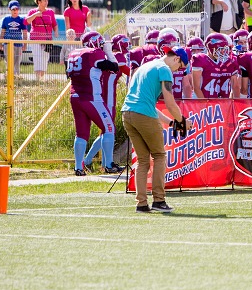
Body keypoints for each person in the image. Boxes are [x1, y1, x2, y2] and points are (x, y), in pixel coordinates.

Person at [122, 46, 189, 213]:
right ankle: (159, 200)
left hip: (127, 114)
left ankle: (141, 203)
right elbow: (170, 103)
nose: (177, 70)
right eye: (180, 67)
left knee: (143, 160)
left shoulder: (145, 67)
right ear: (176, 59)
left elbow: (147, 104)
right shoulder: (164, 69)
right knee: (159, 155)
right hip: (143, 115)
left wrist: (172, 123)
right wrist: (182, 121)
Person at [65, 31, 119, 176]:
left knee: (81, 133)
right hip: (91, 97)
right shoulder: (94, 53)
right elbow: (114, 67)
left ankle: (78, 167)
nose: (101, 47)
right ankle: (109, 165)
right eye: (100, 44)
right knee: (109, 128)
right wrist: (108, 51)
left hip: (75, 96)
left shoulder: (73, 53)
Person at [83, 33, 130, 172]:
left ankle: (99, 162)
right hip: (107, 97)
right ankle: (99, 162)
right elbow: (130, 72)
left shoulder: (101, 55)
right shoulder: (118, 56)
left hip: (99, 95)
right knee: (109, 129)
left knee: (107, 130)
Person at [192, 32, 240, 99]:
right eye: (220, 49)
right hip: (200, 100)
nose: (223, 51)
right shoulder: (200, 59)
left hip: (215, 100)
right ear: (211, 48)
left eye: (224, 49)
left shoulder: (221, 63)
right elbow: (196, 88)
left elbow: (234, 86)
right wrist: (204, 103)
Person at [25, 0, 58, 80]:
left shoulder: (50, 12)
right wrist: (35, 15)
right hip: (35, 38)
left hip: (47, 39)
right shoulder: (32, 11)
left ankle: (42, 78)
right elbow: (26, 22)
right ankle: (37, 78)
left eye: (47, 0)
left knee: (44, 58)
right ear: (39, 1)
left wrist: (56, 32)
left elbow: (54, 24)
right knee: (37, 57)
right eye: (44, 1)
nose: (46, 2)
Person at [1, 0, 28, 76]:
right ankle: (8, 75)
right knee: (8, 61)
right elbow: (2, 31)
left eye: (17, 9)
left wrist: (25, 45)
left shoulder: (22, 19)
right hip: (7, 44)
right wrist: (0, 43)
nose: (15, 11)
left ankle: (17, 76)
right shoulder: (6, 19)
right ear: (9, 9)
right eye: (13, 9)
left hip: (18, 44)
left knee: (17, 61)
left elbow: (25, 33)